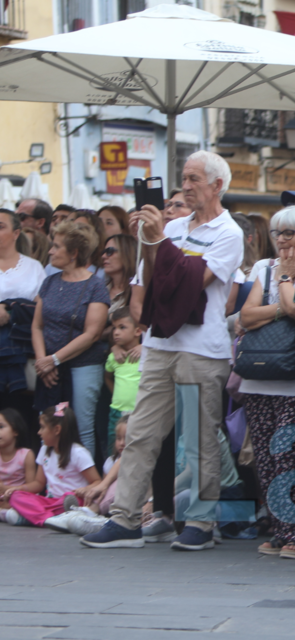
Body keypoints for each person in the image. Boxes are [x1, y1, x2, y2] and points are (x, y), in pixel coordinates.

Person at [83, 151, 243, 551]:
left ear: (217, 185)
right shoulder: (171, 228)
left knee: (201, 437)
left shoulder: (229, 232)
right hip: (159, 344)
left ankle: (201, 523)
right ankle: (125, 518)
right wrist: (153, 241)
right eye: (183, 178)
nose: (185, 186)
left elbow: (194, 282)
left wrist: (156, 240)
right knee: (140, 432)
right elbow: (149, 286)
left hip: (202, 350)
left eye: (193, 179)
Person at [237, 204, 295, 560]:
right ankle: (279, 528)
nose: (284, 240)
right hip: (258, 377)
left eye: (292, 232)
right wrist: (280, 307)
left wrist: (286, 283)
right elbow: (246, 314)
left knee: (291, 455)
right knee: (266, 458)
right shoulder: (262, 267)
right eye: (279, 233)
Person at [30, 222, 109, 455]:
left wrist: (54, 360)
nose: (50, 251)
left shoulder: (95, 286)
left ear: (74, 253)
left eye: (56, 246)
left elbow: (92, 333)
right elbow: (37, 325)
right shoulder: (49, 282)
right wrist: (43, 361)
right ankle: (50, 485)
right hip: (49, 368)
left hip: (83, 365)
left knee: (81, 428)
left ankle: (84, 487)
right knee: (49, 426)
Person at [6, 403, 101, 527]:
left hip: (68, 501)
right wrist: (17, 489)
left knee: (70, 499)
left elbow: (97, 481)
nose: (39, 432)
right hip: (49, 502)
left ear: (56, 430)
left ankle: (35, 517)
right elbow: (39, 484)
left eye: (42, 427)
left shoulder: (78, 452)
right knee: (16, 496)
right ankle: (51, 520)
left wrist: (85, 489)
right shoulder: (45, 449)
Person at [0, 207, 45, 403]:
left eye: (1, 227)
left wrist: (12, 308)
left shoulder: (33, 267)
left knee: (21, 408)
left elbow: (44, 308)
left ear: (16, 233)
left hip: (24, 346)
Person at [103, 309, 141, 453]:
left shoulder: (147, 355)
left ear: (137, 331)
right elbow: (107, 376)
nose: (116, 332)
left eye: (122, 327)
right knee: (113, 449)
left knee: (138, 450)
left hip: (140, 411)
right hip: (116, 412)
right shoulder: (114, 357)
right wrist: (115, 395)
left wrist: (146, 347)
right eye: (114, 328)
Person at [0, 407, 34, 513]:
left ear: (15, 431)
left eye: (1, 427)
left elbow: (32, 487)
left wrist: (8, 489)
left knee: (23, 499)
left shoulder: (26, 454)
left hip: (16, 497)